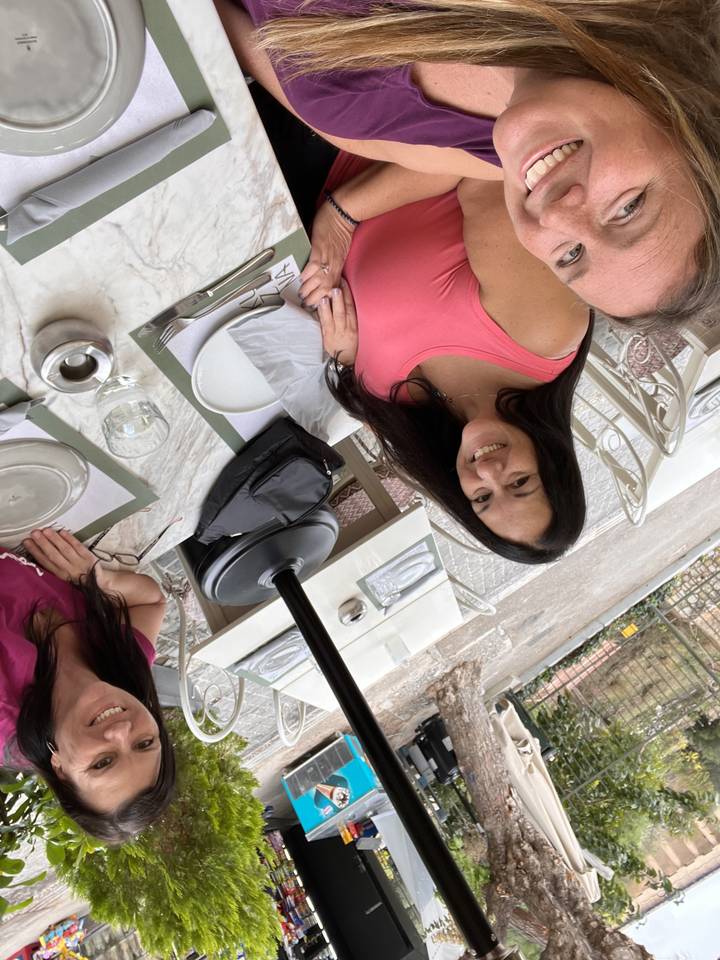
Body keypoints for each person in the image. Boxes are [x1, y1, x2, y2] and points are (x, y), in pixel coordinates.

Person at [214, 0, 718, 326]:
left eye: (570, 256)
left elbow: (229, 37)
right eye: (629, 208)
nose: (556, 216)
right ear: (689, 114)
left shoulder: (489, 153)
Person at [316, 152, 592, 563]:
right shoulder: (543, 330)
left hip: (278, 233)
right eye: (519, 482)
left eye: (482, 497)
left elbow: (365, 361)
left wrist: (347, 354)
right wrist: (341, 215)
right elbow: (487, 156)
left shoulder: (422, 428)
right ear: (551, 460)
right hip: (344, 141)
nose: (487, 473)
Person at [0, 529, 176, 843]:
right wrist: (100, 580)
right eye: (144, 743)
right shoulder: (125, 669)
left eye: (102, 762)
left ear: (60, 768)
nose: (121, 731)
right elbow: (150, 603)